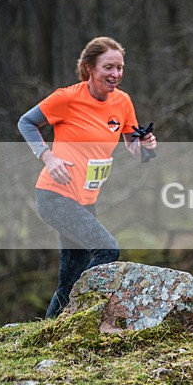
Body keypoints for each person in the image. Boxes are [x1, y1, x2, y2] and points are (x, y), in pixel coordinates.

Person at [18, 36, 157, 318]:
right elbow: (26, 122)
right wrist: (48, 156)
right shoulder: (67, 98)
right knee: (107, 250)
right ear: (89, 68)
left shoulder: (123, 101)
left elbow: (131, 142)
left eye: (119, 67)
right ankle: (88, 323)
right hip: (54, 196)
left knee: (69, 281)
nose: (115, 74)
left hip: (86, 200)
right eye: (108, 67)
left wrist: (145, 147)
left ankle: (51, 333)